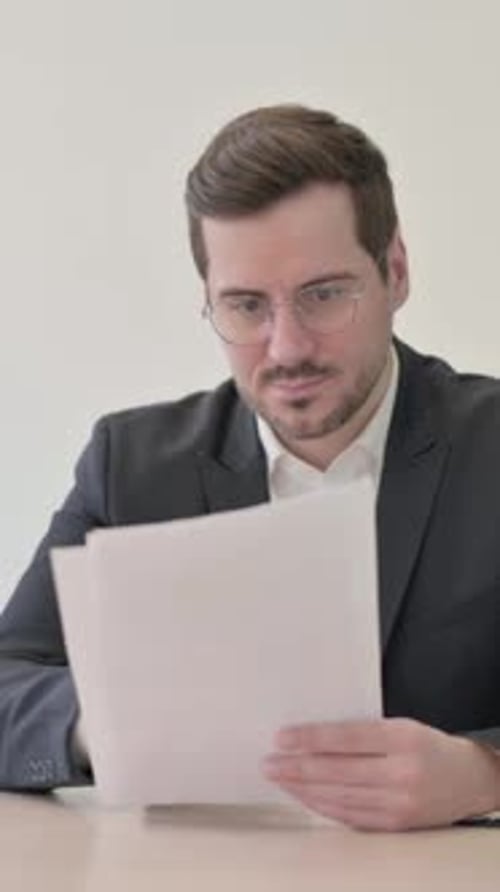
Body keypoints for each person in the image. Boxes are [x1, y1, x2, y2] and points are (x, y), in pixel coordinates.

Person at [1, 104, 500, 832]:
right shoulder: (131, 465)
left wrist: (482, 774)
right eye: (245, 306)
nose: (287, 346)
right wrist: (100, 726)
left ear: (394, 271)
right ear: (209, 302)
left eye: (324, 294)